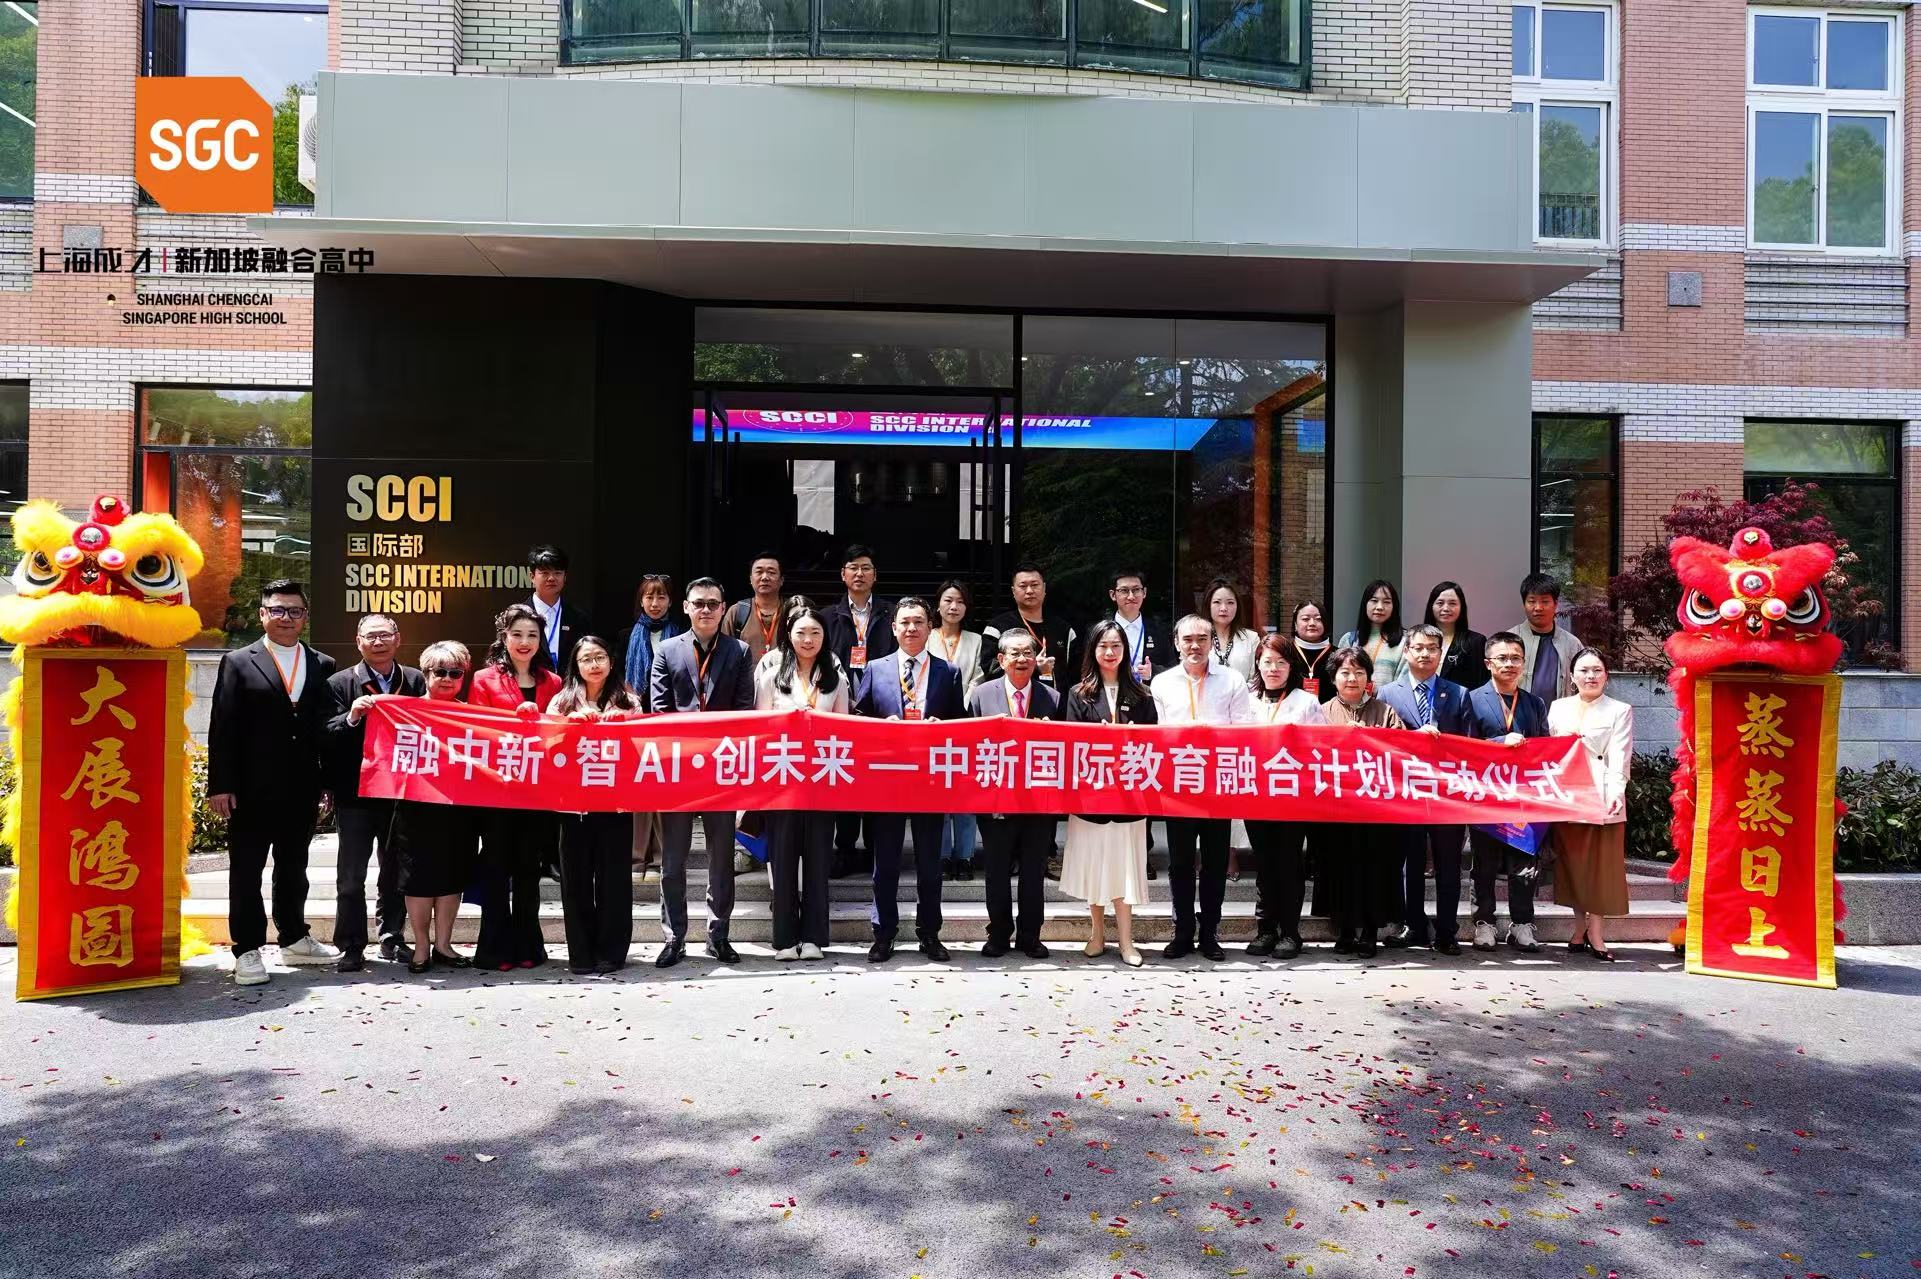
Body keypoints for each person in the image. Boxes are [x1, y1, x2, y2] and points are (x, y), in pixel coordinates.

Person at [209, 579, 341, 985]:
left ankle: (294, 937)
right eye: (278, 610)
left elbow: (323, 729)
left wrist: (326, 783)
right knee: (246, 870)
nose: (287, 618)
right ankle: (247, 949)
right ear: (263, 614)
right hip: (249, 789)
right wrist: (220, 784)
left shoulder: (322, 664)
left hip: (301, 787)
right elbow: (223, 726)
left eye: (295, 611)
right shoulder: (237, 661)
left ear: (305, 617)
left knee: (294, 867)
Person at [649, 576, 756, 967]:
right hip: (678, 770)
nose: (706, 609)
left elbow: (743, 709)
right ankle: (674, 937)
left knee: (721, 859)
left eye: (713, 603)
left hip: (721, 770)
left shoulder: (740, 651)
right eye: (699, 603)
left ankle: (718, 935)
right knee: (673, 861)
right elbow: (660, 710)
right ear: (686, 607)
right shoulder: (667, 650)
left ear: (723, 608)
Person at [853, 596, 962, 963]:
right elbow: (857, 720)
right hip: (888, 780)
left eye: (918, 622)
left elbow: (961, 724)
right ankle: (883, 933)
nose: (911, 628)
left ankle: (929, 934)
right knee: (885, 863)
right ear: (894, 628)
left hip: (931, 780)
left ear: (930, 627)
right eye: (905, 622)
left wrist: (942, 727)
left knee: (930, 865)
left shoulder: (949, 672)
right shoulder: (875, 668)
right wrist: (880, 727)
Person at [323, 612, 426, 972]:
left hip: (399, 793)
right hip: (355, 793)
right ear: (358, 642)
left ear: (398, 639)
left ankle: (391, 937)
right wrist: (352, 717)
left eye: (385, 635)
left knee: (394, 871)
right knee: (351, 875)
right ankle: (351, 944)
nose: (378, 642)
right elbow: (325, 733)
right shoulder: (339, 683)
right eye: (371, 636)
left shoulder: (414, 680)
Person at [1150, 614, 1255, 961]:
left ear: (1212, 642)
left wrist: (1209, 732)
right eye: (1188, 639)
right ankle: (1182, 932)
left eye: (1202, 639)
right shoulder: (1161, 683)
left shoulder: (1233, 680)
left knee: (1214, 863)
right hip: (1179, 786)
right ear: (1176, 643)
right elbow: (1158, 735)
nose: (1195, 646)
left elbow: (1244, 730)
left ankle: (1210, 932)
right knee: (1179, 864)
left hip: (1217, 787)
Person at [469, 604, 562, 972]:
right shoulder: (484, 679)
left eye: (532, 635)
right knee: (496, 870)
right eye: (517, 634)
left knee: (528, 872)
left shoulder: (553, 682)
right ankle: (495, 949)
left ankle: (528, 946)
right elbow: (478, 729)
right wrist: (513, 720)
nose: (525, 642)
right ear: (504, 638)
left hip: (538, 792)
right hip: (497, 790)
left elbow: (560, 731)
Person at [1058, 620, 1157, 967]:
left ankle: (1127, 941)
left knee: (1124, 869)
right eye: (1103, 646)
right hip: (1092, 798)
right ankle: (1097, 933)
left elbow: (1153, 742)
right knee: (1096, 867)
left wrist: (1131, 737)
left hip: (1129, 798)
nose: (1110, 652)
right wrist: (1096, 739)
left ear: (1125, 650)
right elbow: (1070, 743)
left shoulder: (1142, 694)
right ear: (1093, 650)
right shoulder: (1078, 693)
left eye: (1116, 645)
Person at [756, 604, 848, 962]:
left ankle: (813, 938)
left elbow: (845, 729)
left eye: (815, 633)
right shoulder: (770, 676)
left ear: (824, 637)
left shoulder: (835, 678)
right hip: (782, 781)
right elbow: (759, 728)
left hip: (822, 780)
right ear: (788, 636)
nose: (808, 640)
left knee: (817, 860)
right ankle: (784, 939)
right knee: (782, 861)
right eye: (801, 633)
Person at [1375, 624, 1471, 955]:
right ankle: (1413, 925)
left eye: (1432, 648)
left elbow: (1470, 745)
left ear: (1441, 653)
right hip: (1407, 793)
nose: (1425, 654)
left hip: (1446, 794)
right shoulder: (1388, 693)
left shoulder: (1459, 693)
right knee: (1409, 864)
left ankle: (1447, 931)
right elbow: (1381, 743)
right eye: (1418, 648)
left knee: (1448, 865)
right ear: (1406, 652)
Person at [548, 635, 639, 976]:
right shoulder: (561, 702)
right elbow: (546, 747)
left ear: (611, 663)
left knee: (614, 880)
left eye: (600, 657)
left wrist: (624, 728)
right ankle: (581, 954)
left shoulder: (628, 702)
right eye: (586, 659)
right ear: (576, 666)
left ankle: (612, 952)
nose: (594, 664)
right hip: (573, 806)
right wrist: (569, 728)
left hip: (616, 804)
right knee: (575, 881)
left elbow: (643, 751)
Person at [967, 629, 1059, 960]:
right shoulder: (981, 695)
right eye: (1015, 653)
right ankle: (999, 933)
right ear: (1001, 659)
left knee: (1033, 871)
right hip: (995, 800)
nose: (1022, 659)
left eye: (1028, 653)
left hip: (1038, 800)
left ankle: (1030, 935)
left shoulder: (1053, 698)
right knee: (996, 870)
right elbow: (970, 746)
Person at [388, 641, 480, 974]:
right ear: (426, 674)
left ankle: (444, 945)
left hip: (458, 811)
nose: (447, 679)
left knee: (451, 876)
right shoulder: (405, 711)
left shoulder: (474, 715)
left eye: (455, 673)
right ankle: (421, 946)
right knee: (418, 879)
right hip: (416, 809)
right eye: (439, 672)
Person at [1464, 631, 1551, 952]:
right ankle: (1483, 923)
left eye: (1516, 658)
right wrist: (1501, 743)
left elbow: (1544, 748)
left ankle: (1522, 923)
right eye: (1502, 658)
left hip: (1523, 798)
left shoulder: (1534, 703)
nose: (1510, 664)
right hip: (1485, 796)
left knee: (1524, 863)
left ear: (1524, 663)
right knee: (1484, 864)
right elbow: (1464, 748)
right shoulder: (1471, 699)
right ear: (1488, 663)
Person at [1319, 645, 1406, 957]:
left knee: (1373, 869)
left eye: (1359, 672)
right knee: (1340, 868)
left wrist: (1370, 738)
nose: (1352, 678)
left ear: (1368, 677)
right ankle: (1344, 931)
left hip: (1375, 810)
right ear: (1333, 678)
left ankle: (1370, 932)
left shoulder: (1385, 711)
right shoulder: (1322, 712)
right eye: (1345, 672)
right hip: (1336, 808)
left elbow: (1400, 751)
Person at [1241, 634, 1324, 959]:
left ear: (1291, 666)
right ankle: (1265, 930)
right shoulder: (1246, 701)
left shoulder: (1306, 702)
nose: (1273, 668)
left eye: (1281, 662)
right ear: (1258, 664)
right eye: (1267, 662)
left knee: (1289, 863)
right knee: (1264, 864)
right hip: (1255, 796)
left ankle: (1290, 932)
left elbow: (1319, 748)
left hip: (1292, 797)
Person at [1548, 648, 1633, 962]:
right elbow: (1547, 752)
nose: (1591, 676)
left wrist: (1616, 793)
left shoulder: (1619, 710)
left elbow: (1620, 757)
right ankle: (1578, 927)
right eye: (1583, 670)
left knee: (1600, 868)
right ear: (1572, 676)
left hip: (1602, 794)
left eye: (1597, 670)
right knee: (1574, 866)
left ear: (1606, 675)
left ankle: (1597, 932)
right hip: (1567, 796)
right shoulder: (1558, 708)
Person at [822, 545, 893, 876]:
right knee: (845, 779)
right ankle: (846, 849)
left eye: (866, 567)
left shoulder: (891, 614)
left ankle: (876, 850)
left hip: (882, 712)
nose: (860, 573)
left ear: (875, 575)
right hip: (842, 713)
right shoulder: (827, 617)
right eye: (853, 567)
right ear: (843, 574)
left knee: (879, 781)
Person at [623, 572, 682, 880]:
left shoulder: (681, 635)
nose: (655, 603)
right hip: (635, 719)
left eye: (661, 596)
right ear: (641, 601)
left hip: (668, 720)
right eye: (649, 597)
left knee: (663, 789)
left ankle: (661, 856)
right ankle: (637, 856)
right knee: (637, 789)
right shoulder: (625, 636)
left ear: (671, 601)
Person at [932, 579, 983, 882]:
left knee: (965, 793)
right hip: (933, 725)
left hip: (966, 722)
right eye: (948, 600)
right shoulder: (927, 635)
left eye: (960, 601)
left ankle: (964, 855)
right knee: (938, 794)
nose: (954, 607)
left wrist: (960, 705)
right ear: (938, 605)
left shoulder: (976, 640)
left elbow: (978, 677)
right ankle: (940, 855)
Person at [981, 561, 1075, 689]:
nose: (1029, 591)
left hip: (1058, 699)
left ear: (1044, 588)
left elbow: (1076, 673)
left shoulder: (1063, 629)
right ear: (1013, 591)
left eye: (1035, 585)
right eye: (1023, 586)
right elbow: (990, 670)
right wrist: (1033, 666)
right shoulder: (997, 628)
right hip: (1011, 699)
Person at [1515, 572, 1583, 702]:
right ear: (1524, 604)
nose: (1538, 608)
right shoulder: (1508, 641)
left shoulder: (1573, 644)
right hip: (1518, 713)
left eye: (1545, 601)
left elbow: (1583, 686)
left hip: (1561, 713)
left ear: (1556, 604)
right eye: (1532, 601)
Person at [527, 543, 593, 677]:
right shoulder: (518, 615)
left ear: (565, 577)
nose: (551, 578)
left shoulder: (578, 618)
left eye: (557, 573)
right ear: (532, 576)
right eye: (545, 573)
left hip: (569, 687)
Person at [1106, 569, 1172, 684]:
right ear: (1113, 595)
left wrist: (1153, 671)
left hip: (1147, 693)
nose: (1131, 596)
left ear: (1144, 593)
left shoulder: (1158, 631)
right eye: (1124, 590)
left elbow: (1173, 669)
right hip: (1110, 692)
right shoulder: (1100, 631)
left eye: (1136, 590)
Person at [1338, 579, 1405, 692]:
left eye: (1387, 602)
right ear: (1365, 604)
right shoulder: (1349, 640)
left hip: (1388, 703)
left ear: (1394, 606)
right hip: (1352, 702)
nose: (1379, 607)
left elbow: (1403, 685)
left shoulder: (1405, 641)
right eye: (1374, 601)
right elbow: (1339, 678)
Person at [1424, 581, 1488, 692]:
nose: (1446, 608)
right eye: (1440, 603)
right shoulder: (1417, 639)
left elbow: (1482, 686)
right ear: (1431, 606)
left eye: (1452, 603)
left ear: (1461, 607)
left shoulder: (1476, 642)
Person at [723, 551, 785, 666]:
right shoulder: (737, 611)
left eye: (771, 572)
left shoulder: (792, 611)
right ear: (751, 579)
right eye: (759, 572)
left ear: (781, 580)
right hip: (746, 677)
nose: (765, 577)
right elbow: (723, 653)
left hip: (784, 676)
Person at [1203, 578, 1261, 680]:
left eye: (1230, 602)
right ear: (1208, 605)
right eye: (1217, 602)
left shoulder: (1251, 638)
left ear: (1237, 606)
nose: (1223, 608)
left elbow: (1256, 678)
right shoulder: (1198, 637)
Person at [1289, 599, 1337, 702]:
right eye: (1305, 619)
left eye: (1318, 619)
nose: (1312, 623)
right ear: (1295, 624)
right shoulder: (1285, 652)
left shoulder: (1338, 655)